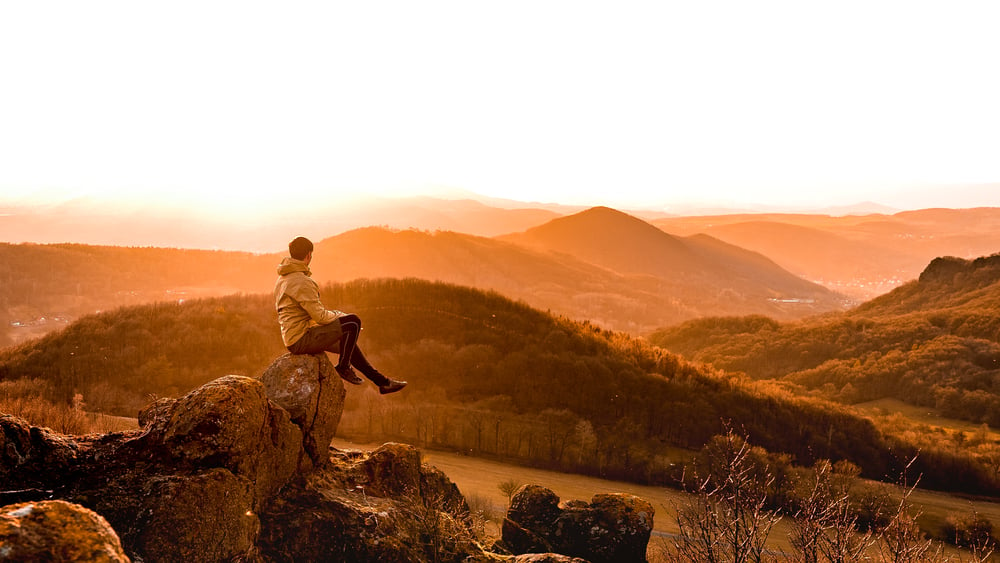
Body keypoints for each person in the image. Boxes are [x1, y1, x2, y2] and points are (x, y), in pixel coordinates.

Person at [274, 236, 407, 394]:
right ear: (309, 255)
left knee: (348, 341)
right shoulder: (301, 282)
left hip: (294, 336)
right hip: (301, 338)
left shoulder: (284, 278)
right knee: (353, 322)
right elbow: (320, 317)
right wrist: (339, 315)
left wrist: (337, 319)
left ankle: (383, 382)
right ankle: (344, 367)